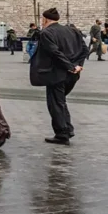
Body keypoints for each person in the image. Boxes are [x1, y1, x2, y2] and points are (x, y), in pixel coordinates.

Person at [30, 8, 86, 145]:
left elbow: (55, 53)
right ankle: (67, 129)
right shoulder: (72, 31)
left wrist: (70, 67)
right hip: (72, 75)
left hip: (56, 73)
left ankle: (62, 133)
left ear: (45, 19)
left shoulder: (47, 33)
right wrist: (77, 66)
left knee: (55, 102)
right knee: (60, 101)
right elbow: (84, 49)